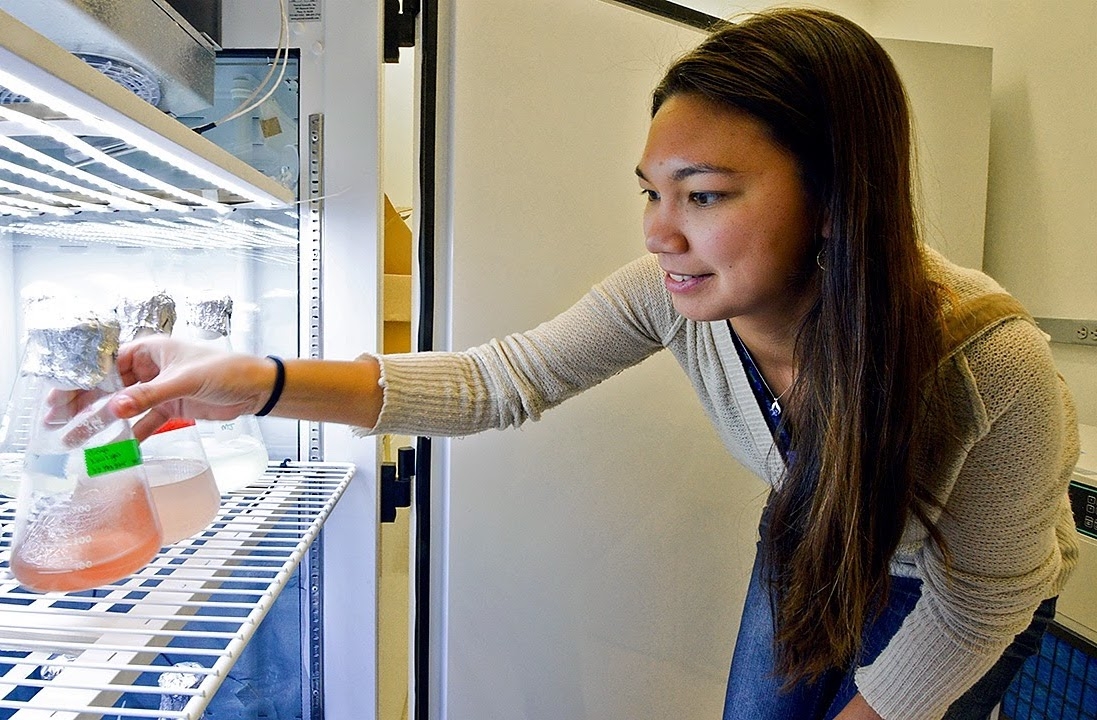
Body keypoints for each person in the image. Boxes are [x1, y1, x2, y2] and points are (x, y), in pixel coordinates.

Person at [66, 7, 1077, 720]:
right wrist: (261, 380)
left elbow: (978, 606)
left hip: (957, 591)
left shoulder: (991, 368)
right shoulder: (675, 300)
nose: (659, 233)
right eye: (650, 191)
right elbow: (496, 381)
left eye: (705, 195)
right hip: (812, 541)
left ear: (832, 197)